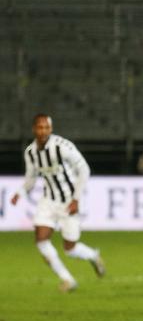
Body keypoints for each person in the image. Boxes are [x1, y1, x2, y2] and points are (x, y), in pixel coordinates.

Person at [10, 114, 106, 293]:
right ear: (34, 129)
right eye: (40, 127)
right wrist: (19, 193)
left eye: (46, 127)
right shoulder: (30, 152)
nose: (43, 131)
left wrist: (76, 198)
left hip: (69, 201)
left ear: (51, 129)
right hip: (48, 201)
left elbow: (84, 169)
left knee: (70, 248)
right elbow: (31, 178)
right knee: (41, 240)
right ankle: (68, 280)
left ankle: (93, 256)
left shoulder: (63, 147)